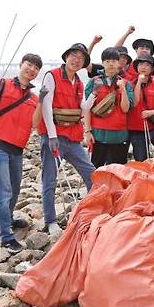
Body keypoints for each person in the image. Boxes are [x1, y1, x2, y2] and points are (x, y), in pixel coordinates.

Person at [0, 54, 43, 253]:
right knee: (4, 191)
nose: (31, 69)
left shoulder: (33, 98)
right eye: (29, 64)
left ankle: (8, 219)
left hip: (17, 148)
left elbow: (34, 123)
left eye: (36, 68)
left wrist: (42, 101)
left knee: (15, 190)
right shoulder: (3, 84)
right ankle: (6, 236)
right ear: (21, 65)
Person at [39, 43, 96, 237]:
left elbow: (83, 107)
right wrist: (52, 136)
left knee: (92, 175)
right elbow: (46, 106)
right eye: (73, 55)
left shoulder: (79, 82)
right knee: (50, 179)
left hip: (73, 138)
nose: (76, 59)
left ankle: (92, 212)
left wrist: (95, 93)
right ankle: (50, 220)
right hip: (54, 137)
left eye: (81, 58)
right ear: (66, 57)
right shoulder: (51, 76)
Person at [82, 47, 134, 167]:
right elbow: (87, 109)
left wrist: (123, 90)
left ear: (118, 63)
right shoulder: (94, 82)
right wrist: (88, 132)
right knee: (96, 170)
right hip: (98, 134)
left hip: (119, 135)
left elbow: (126, 109)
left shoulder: (126, 83)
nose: (111, 64)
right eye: (107, 61)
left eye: (114, 61)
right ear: (103, 63)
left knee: (118, 172)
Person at [127, 53, 154, 160]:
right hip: (136, 128)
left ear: (152, 68)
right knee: (141, 158)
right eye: (140, 64)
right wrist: (139, 83)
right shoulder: (130, 85)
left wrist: (151, 113)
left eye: (147, 65)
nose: (143, 67)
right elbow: (133, 103)